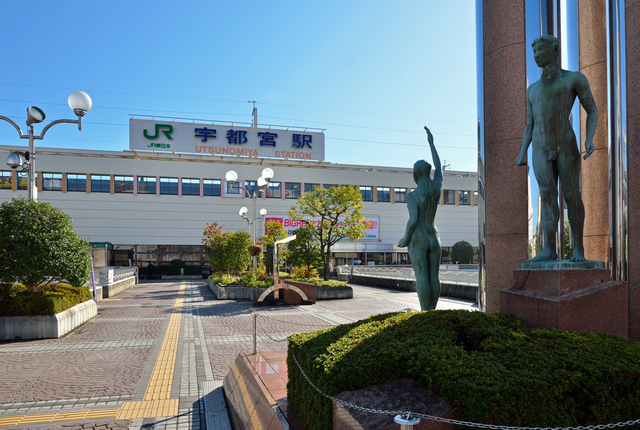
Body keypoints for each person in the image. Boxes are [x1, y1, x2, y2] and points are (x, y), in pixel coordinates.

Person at [516, 35, 598, 262]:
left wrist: (589, 138)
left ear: (554, 49)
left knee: (572, 196)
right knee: (548, 198)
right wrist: (523, 151)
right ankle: (548, 249)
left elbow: (592, 109)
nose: (535, 56)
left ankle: (578, 249)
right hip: (540, 148)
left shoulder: (574, 79)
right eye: (533, 52)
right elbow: (530, 125)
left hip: (565, 144)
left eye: (539, 50)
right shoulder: (532, 90)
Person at [397, 126, 442, 311]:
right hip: (434, 236)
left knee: (422, 277)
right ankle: (433, 311)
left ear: (415, 174)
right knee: (434, 277)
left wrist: (405, 238)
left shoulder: (412, 195)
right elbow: (439, 167)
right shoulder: (436, 188)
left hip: (418, 237)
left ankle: (425, 312)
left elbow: (413, 220)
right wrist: (432, 144)